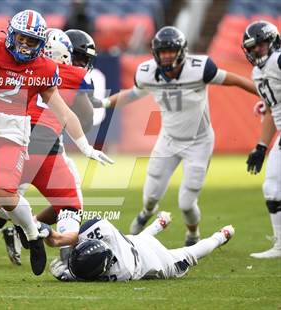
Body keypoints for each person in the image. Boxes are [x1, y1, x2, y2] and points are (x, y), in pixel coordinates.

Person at [0, 10, 113, 275]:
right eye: (22, 39)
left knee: (4, 193)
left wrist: (85, 146)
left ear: (43, 46)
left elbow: (63, 111)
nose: (25, 46)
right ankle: (36, 237)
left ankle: (22, 233)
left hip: (15, 134)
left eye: (32, 42)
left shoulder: (46, 69)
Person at [98, 26, 258, 245]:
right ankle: (146, 212)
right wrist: (105, 103)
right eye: (162, 51)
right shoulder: (148, 73)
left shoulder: (200, 69)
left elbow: (236, 80)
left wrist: (268, 96)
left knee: (186, 202)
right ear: (155, 53)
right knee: (151, 193)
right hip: (169, 140)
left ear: (182, 51)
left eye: (171, 51)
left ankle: (193, 234)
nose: (166, 56)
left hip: (199, 142)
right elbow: (133, 94)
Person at [0, 29, 98, 267]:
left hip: (13, 140)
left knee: (0, 197)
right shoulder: (68, 73)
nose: (78, 62)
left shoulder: (23, 66)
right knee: (70, 201)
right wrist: (85, 144)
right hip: (46, 147)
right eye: (74, 56)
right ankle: (65, 254)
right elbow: (81, 117)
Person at [44, 212, 234, 281]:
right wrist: (57, 239)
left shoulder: (121, 272)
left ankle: (220, 237)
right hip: (144, 252)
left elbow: (85, 274)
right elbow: (77, 237)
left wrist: (55, 240)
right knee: (139, 238)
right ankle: (160, 223)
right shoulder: (106, 233)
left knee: (190, 253)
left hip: (152, 258)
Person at [243, 20, 281, 259]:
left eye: (262, 45)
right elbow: (270, 108)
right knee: (272, 188)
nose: (257, 50)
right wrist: (261, 146)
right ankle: (280, 246)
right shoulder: (257, 72)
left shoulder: (278, 60)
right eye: (253, 47)